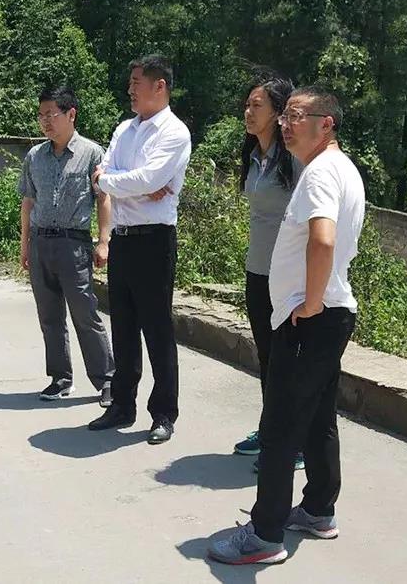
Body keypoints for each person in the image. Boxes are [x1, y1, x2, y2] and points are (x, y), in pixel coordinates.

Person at [209, 87, 365, 565]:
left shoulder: (319, 172)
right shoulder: (341, 168)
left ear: (326, 123)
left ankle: (265, 534)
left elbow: (323, 240)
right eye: (287, 116)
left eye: (298, 115)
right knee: (317, 417)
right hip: (330, 312)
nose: (286, 123)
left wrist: (310, 304)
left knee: (279, 427)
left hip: (313, 317)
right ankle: (318, 509)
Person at [88, 54, 192, 445]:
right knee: (124, 325)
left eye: (136, 82)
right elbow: (105, 178)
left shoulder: (174, 132)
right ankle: (122, 404)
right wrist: (126, 183)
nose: (130, 89)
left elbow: (147, 178)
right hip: (123, 237)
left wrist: (118, 181)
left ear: (159, 85)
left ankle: (163, 412)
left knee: (157, 329)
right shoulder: (124, 129)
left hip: (154, 240)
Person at [18, 86, 115, 407]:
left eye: (52, 114)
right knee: (49, 316)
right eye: (41, 115)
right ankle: (60, 378)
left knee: (85, 314)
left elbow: (103, 199)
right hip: (40, 242)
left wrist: (104, 241)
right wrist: (24, 245)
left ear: (71, 114)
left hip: (74, 243)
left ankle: (107, 380)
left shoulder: (92, 153)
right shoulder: (35, 156)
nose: (45, 121)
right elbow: (28, 202)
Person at [231, 72, 306, 473]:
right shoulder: (255, 156)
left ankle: (293, 444)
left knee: (286, 361)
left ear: (278, 113)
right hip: (258, 269)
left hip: (288, 276)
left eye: (256, 105)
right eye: (247, 105)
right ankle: (271, 429)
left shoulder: (292, 158)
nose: (248, 111)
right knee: (266, 356)